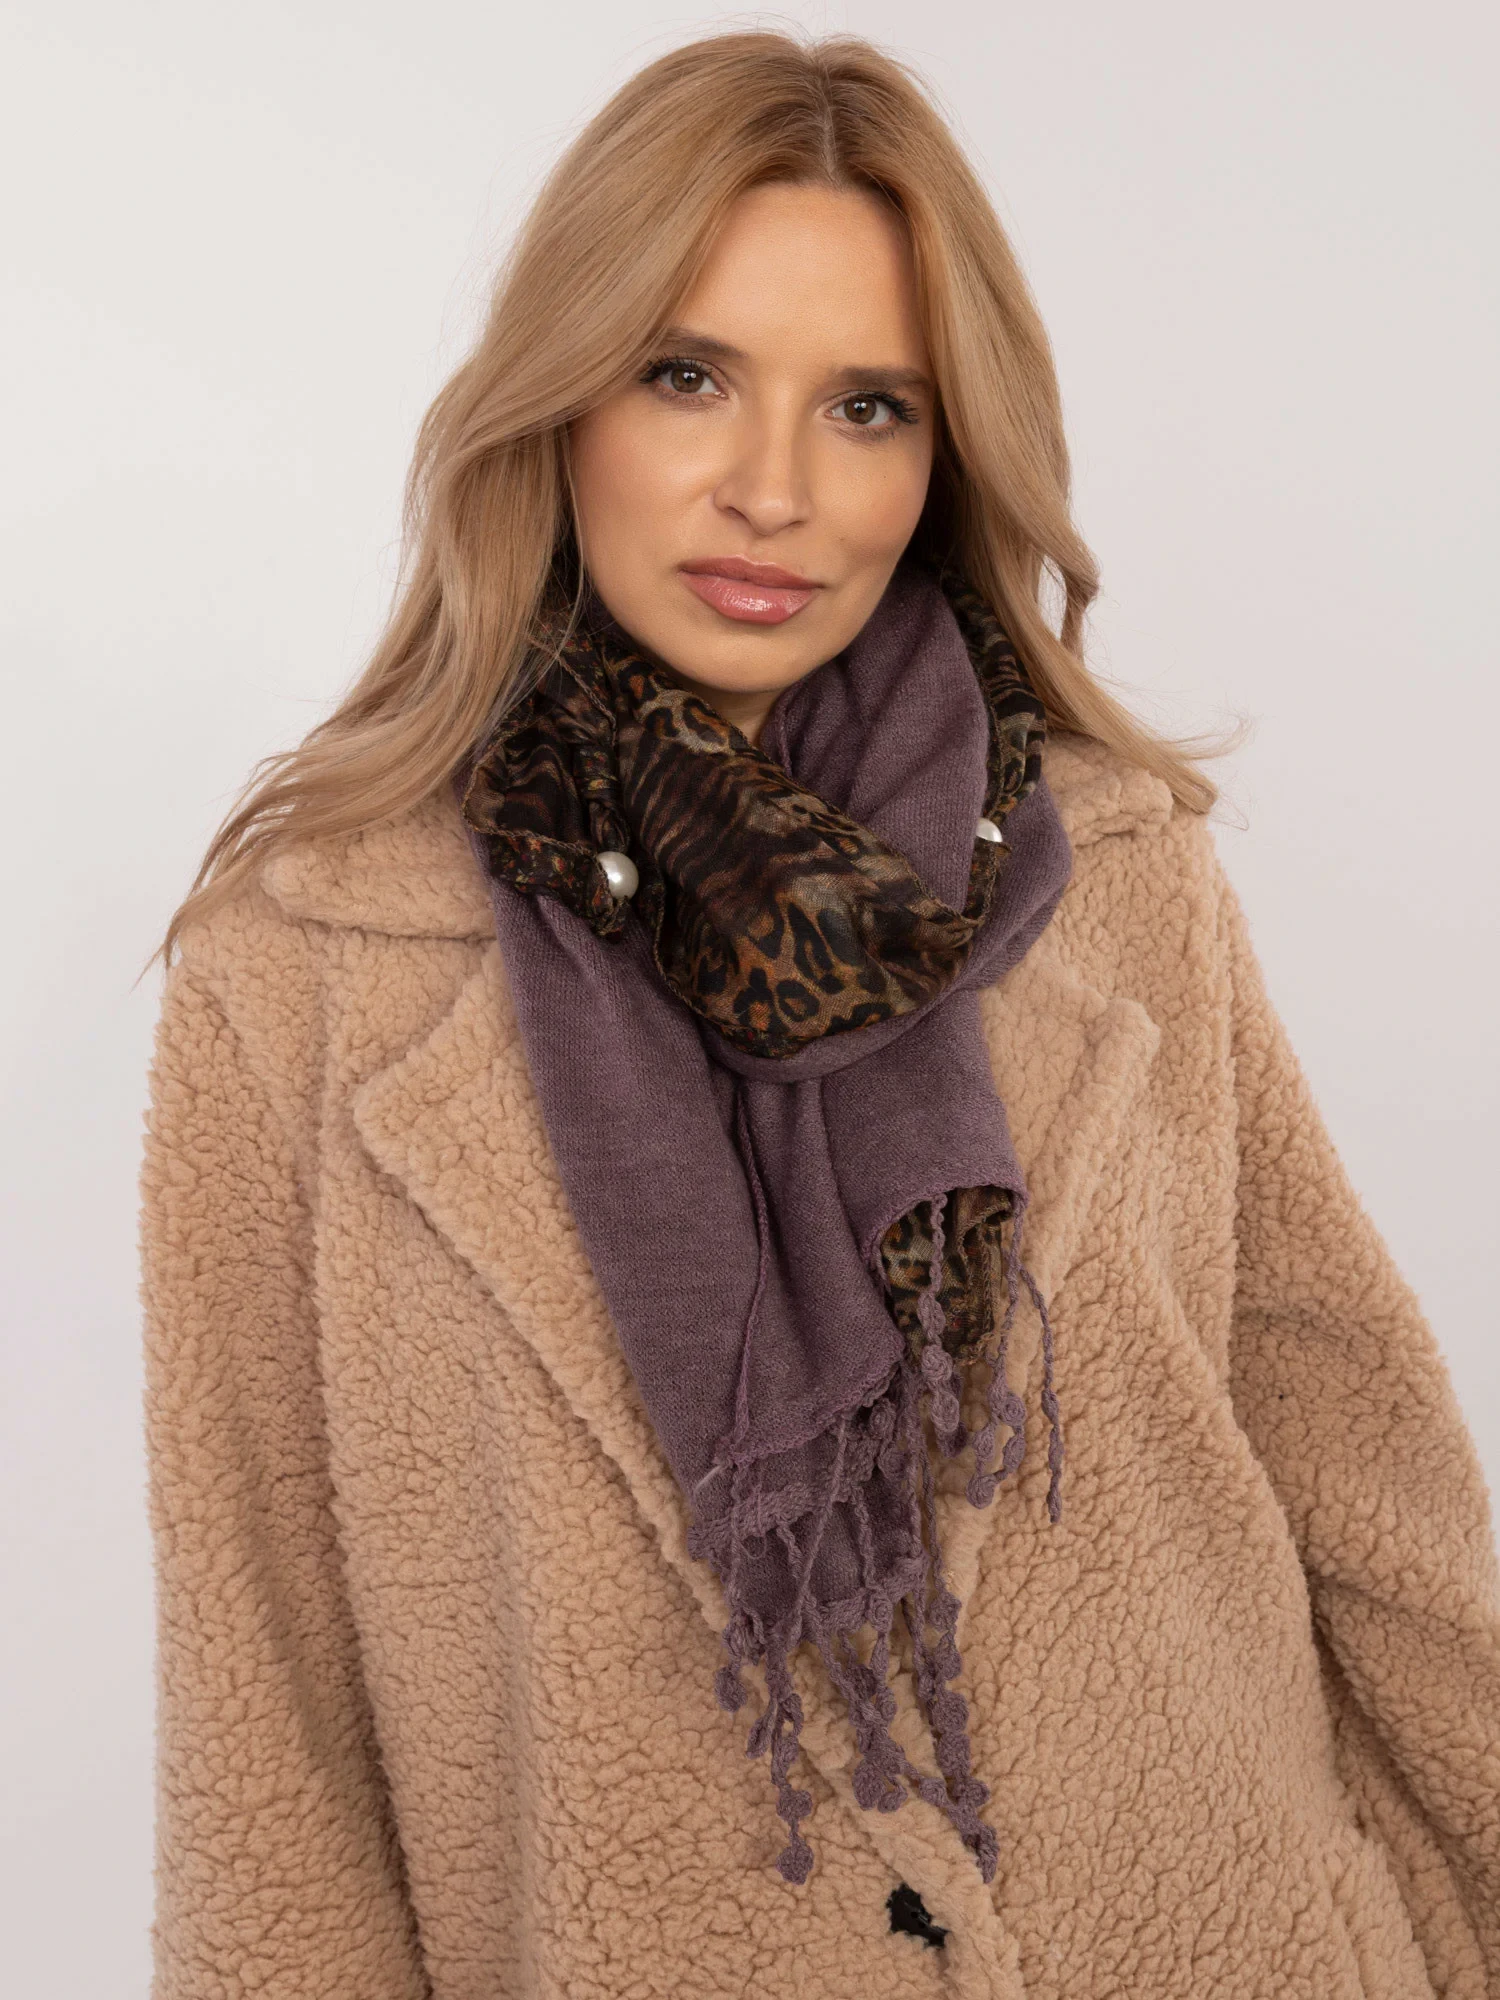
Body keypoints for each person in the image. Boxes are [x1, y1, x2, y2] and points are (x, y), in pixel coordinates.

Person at [136, 30, 1500, 2000]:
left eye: (868, 407)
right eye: (685, 375)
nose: (773, 489)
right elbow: (264, 1707)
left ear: (944, 458)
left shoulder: (1115, 871)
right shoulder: (303, 969)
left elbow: (1362, 1467)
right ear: (559, 399)